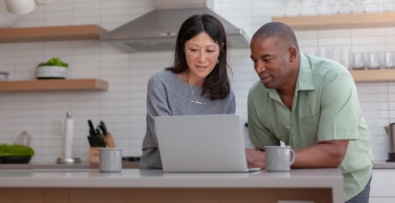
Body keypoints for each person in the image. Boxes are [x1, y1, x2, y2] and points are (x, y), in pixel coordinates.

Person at [245, 22, 373, 203]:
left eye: (267, 59)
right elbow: (264, 157)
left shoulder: (334, 78)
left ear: (291, 54)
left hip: (349, 182)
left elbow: (334, 153)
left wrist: (264, 159)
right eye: (255, 61)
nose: (258, 68)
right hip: (303, 183)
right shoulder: (256, 96)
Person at [140, 14, 236, 169]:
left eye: (210, 50)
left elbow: (224, 148)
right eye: (194, 50)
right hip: (159, 177)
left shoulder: (226, 97)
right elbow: (165, 140)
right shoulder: (160, 83)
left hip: (207, 177)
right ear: (182, 47)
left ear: (221, 50)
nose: (202, 59)